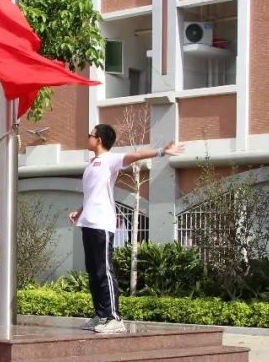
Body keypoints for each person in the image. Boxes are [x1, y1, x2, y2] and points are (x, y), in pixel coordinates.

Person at [69, 124, 184, 334]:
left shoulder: (110, 159)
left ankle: (114, 317)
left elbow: (136, 155)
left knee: (104, 270)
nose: (88, 138)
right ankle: (101, 315)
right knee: (93, 273)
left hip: (102, 224)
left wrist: (161, 151)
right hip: (87, 222)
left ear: (99, 140)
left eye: (90, 135)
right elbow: (94, 194)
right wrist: (79, 211)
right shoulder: (91, 164)